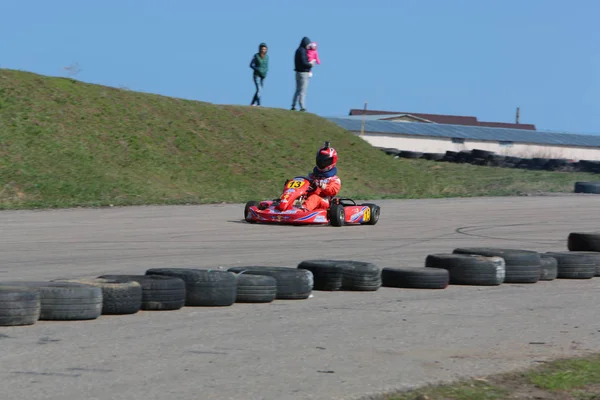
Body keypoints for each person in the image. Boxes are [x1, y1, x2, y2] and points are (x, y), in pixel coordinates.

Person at [301, 142, 341, 211]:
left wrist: (323, 186)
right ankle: (283, 208)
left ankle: (303, 211)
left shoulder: (334, 179)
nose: (322, 163)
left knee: (314, 198)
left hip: (323, 201)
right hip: (308, 199)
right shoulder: (311, 176)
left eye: (325, 161)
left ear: (332, 161)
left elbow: (333, 190)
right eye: (320, 160)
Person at [291, 37, 313, 111]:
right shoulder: (303, 51)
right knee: (303, 91)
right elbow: (304, 63)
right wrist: (310, 64)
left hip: (297, 73)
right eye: (308, 44)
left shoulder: (298, 50)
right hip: (303, 74)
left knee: (297, 90)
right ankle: (302, 107)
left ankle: (293, 105)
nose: (308, 46)